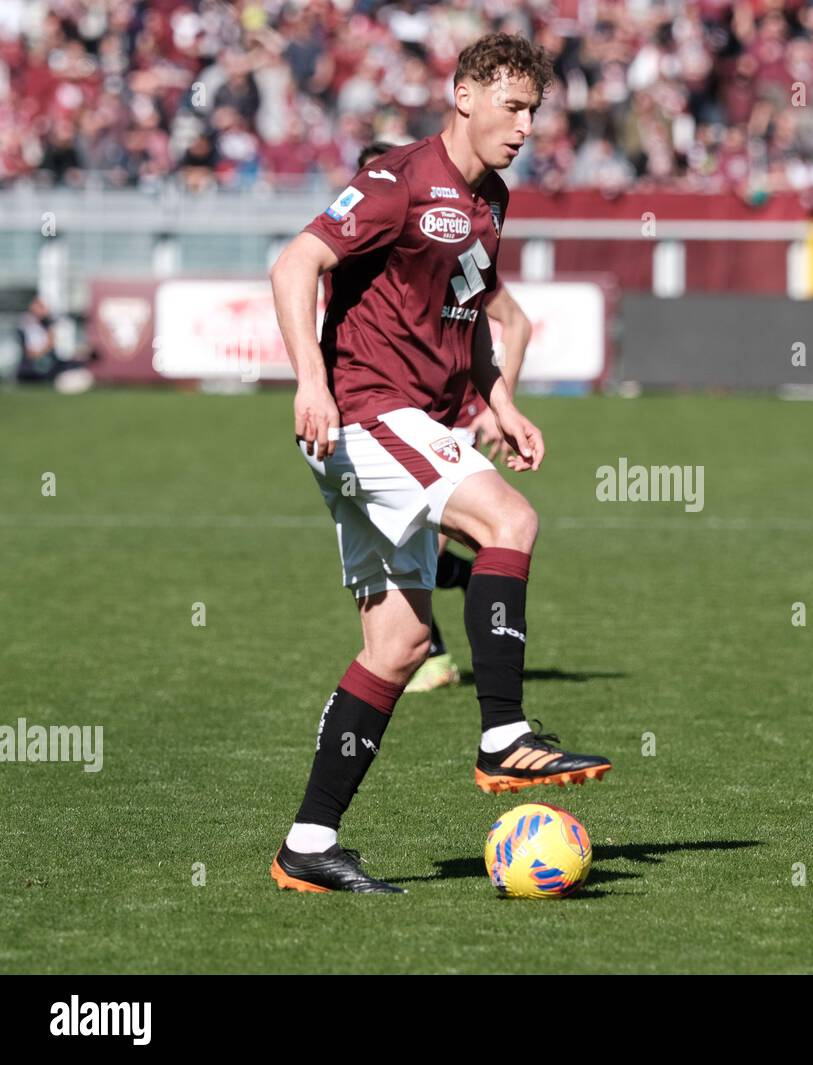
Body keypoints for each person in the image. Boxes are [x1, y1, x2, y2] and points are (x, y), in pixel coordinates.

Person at [268, 33, 610, 894]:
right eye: (512, 105)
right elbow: (294, 261)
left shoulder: (491, 199)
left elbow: (468, 316)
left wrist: (500, 400)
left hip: (400, 420)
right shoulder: (399, 180)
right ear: (463, 95)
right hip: (363, 411)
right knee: (511, 521)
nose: (527, 125)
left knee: (399, 641)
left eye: (536, 109)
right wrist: (311, 380)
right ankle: (504, 735)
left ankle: (308, 843)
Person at [349, 141, 536, 693]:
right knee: (421, 549)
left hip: (449, 416)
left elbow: (514, 325)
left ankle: (450, 670)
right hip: (393, 416)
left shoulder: (455, 251)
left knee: (483, 528)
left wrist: (497, 406)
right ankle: (425, 653)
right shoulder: (375, 259)